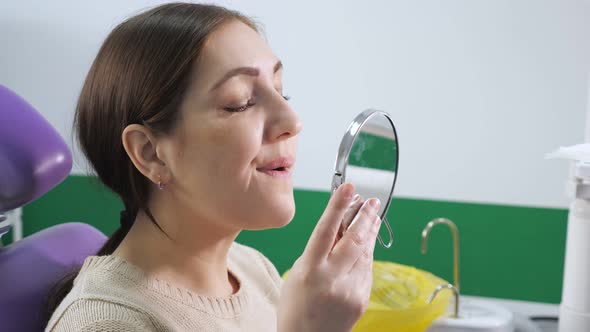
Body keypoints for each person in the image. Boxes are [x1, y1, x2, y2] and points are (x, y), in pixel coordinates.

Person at [45, 3, 382, 331]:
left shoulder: (253, 269)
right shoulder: (102, 324)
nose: (292, 121)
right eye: (241, 102)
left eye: (281, 92)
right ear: (151, 153)